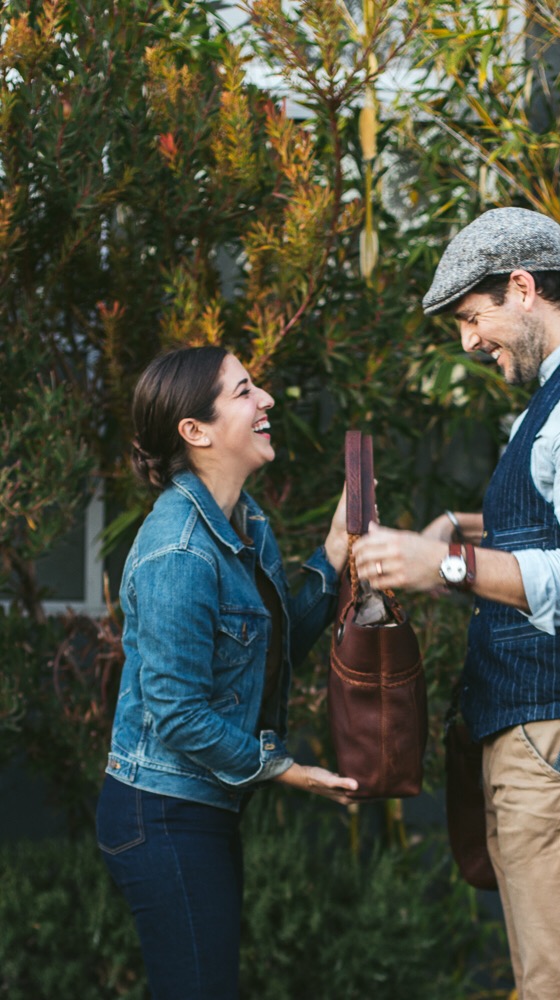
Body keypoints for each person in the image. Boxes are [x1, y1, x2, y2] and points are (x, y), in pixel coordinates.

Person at [352, 207, 560, 999]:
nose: (469, 342)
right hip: (559, 736)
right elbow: (558, 522)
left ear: (523, 288)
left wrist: (450, 566)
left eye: (473, 318)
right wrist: (459, 528)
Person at [95, 346, 357, 1000]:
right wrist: (287, 769)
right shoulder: (178, 550)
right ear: (196, 430)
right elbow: (178, 714)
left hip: (199, 809)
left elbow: (270, 649)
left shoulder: (244, 523)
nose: (266, 399)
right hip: (160, 813)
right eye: (244, 392)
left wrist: (332, 552)